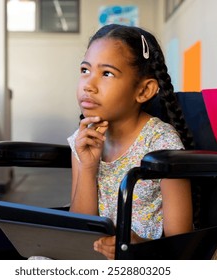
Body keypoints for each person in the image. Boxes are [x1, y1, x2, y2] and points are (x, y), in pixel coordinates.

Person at [67, 24, 193, 260]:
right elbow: (79, 230)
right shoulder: (81, 140)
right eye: (85, 70)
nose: (89, 85)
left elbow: (181, 245)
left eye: (106, 73)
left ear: (144, 90)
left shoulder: (161, 143)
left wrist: (137, 247)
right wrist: (87, 167)